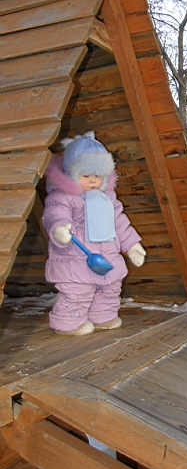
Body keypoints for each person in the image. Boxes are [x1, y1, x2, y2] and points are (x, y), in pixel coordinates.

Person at [42, 131, 146, 336]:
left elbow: (120, 223)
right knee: (78, 292)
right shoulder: (63, 196)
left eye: (97, 176)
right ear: (72, 174)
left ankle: (103, 317)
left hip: (107, 256)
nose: (92, 181)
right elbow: (54, 213)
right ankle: (68, 323)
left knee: (110, 289)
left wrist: (133, 245)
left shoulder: (108, 198)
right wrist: (59, 228)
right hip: (77, 257)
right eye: (86, 175)